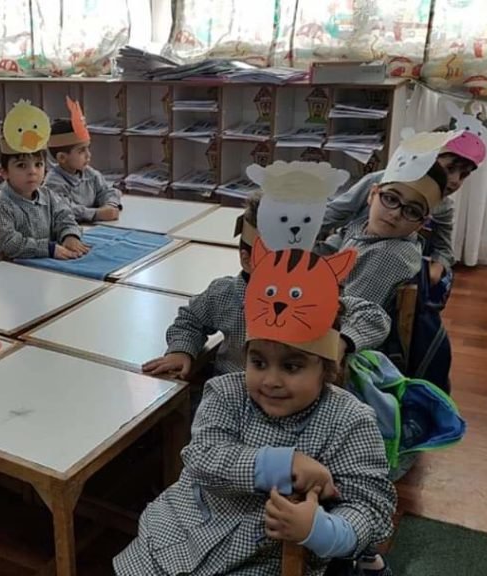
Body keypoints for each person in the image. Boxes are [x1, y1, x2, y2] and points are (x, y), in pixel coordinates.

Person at [115, 236, 396, 575]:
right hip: (178, 532)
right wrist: (283, 464)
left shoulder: (351, 421)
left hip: (260, 559)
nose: (271, 380)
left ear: (326, 369)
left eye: (291, 367)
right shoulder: (226, 393)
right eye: (258, 362)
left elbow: (371, 506)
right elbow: (202, 457)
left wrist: (320, 530)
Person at [143, 162, 390, 380]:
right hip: (235, 395)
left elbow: (374, 315)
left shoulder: (315, 295)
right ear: (248, 260)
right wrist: (181, 350)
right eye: (275, 259)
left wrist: (343, 341)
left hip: (297, 399)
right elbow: (190, 320)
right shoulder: (225, 294)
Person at [322, 103, 487, 285]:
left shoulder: (443, 207)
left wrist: (438, 267)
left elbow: (444, 249)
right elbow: (333, 214)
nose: (454, 180)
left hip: (382, 267)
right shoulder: (381, 180)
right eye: (450, 168)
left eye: (463, 175)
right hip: (342, 250)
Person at [318, 132, 453, 315]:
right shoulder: (365, 226)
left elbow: (352, 316)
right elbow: (335, 245)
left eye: (412, 211)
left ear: (421, 223)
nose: (395, 214)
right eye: (390, 198)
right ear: (372, 194)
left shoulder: (387, 255)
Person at [0, 100, 87, 260]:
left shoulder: (48, 195)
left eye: (38, 164)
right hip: (14, 268)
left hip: (46, 266)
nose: (32, 171)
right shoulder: (2, 206)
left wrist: (70, 236)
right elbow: (9, 243)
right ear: (4, 172)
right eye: (21, 165)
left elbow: (64, 216)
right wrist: (49, 249)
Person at [43, 98, 122, 223]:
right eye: (81, 151)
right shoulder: (54, 182)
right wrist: (96, 214)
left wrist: (110, 205)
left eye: (87, 148)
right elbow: (64, 209)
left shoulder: (90, 173)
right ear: (62, 158)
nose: (88, 155)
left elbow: (107, 191)